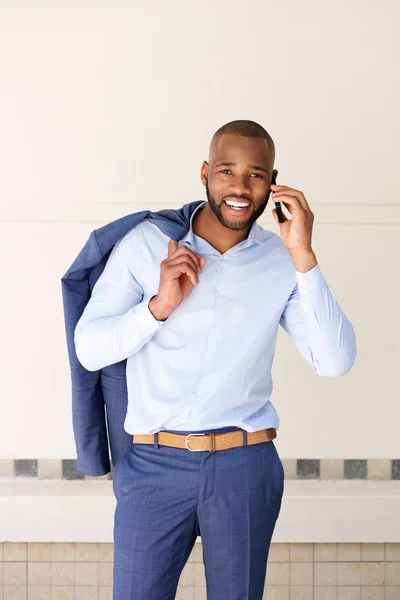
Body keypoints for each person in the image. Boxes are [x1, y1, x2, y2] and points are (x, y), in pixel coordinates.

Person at [74, 119, 356, 599]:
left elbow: (334, 361)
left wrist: (304, 255)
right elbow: (90, 346)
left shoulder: (281, 258)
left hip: (244, 466)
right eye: (227, 171)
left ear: (274, 182)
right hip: (153, 465)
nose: (240, 187)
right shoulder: (146, 245)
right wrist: (157, 308)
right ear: (205, 173)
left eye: (256, 175)